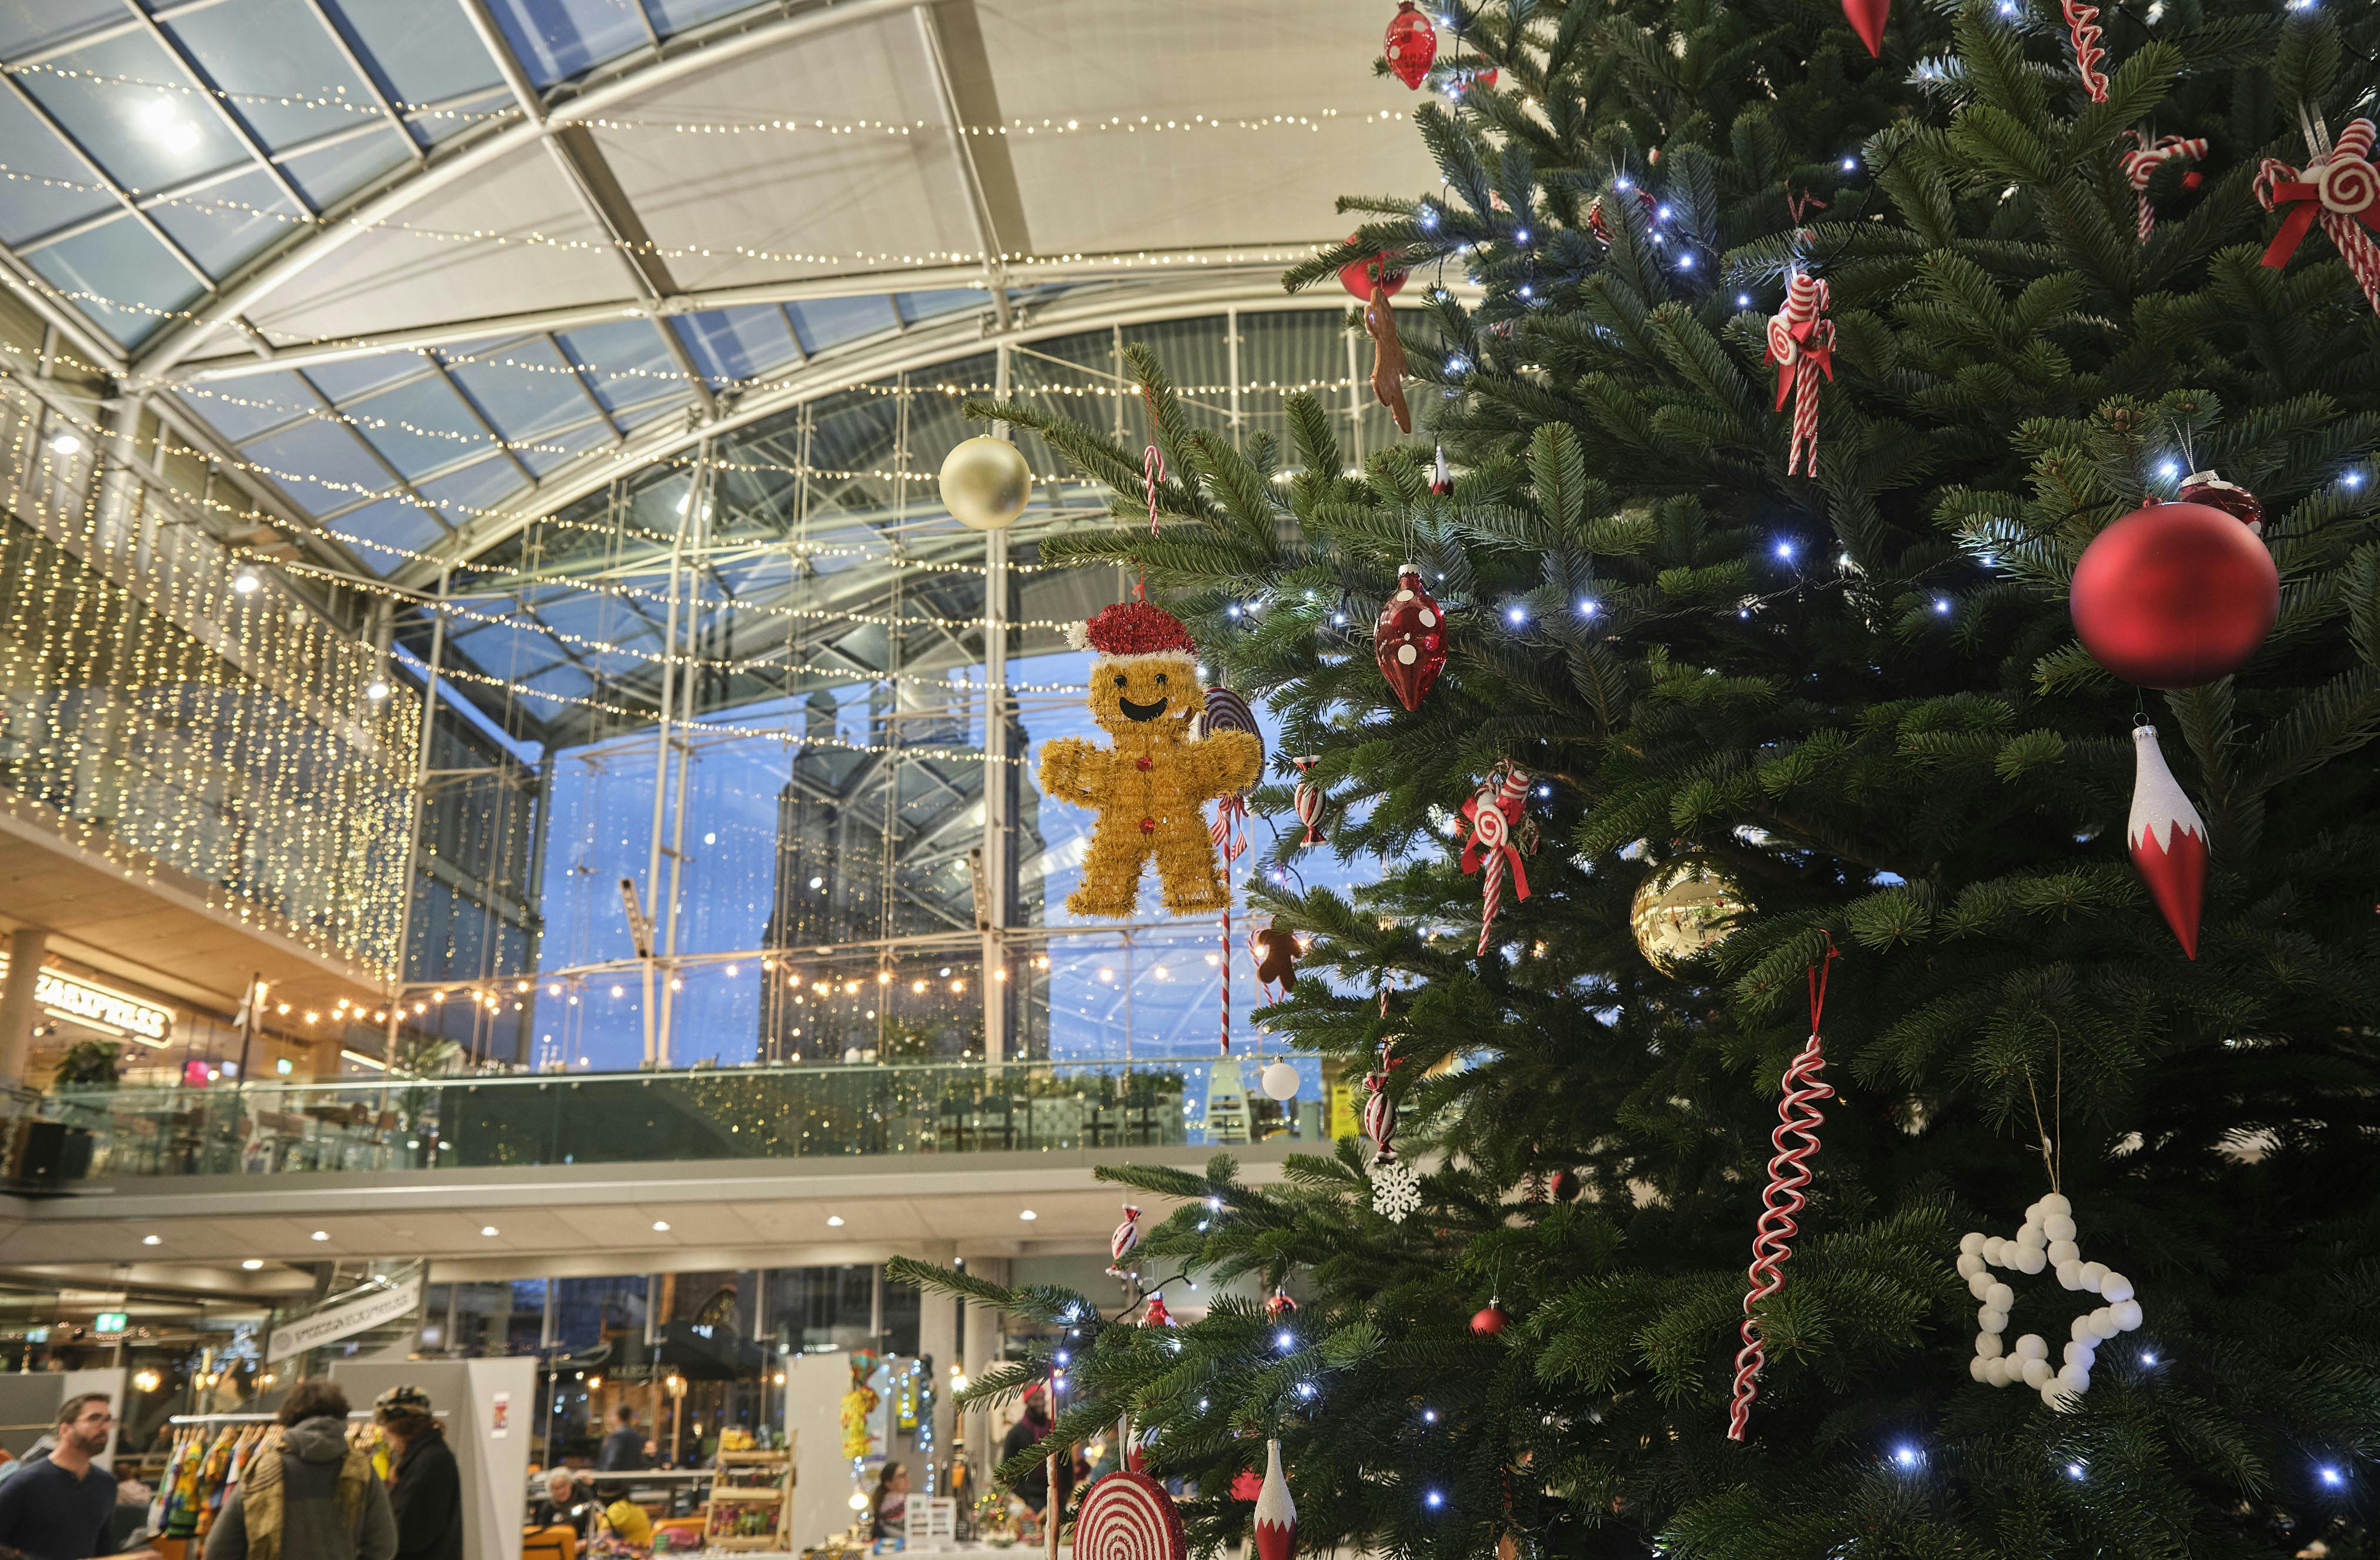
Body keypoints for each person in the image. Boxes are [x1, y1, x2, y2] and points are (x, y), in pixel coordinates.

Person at [203, 1379, 394, 1560]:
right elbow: (384, 1545)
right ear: (340, 1417)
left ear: (289, 1417)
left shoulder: (264, 1469)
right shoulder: (361, 1471)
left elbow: (218, 1549)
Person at [0, 1394, 158, 1560]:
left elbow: (102, 1548)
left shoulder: (106, 1483)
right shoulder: (26, 1481)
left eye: (107, 1420)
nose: (103, 1427)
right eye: (94, 1418)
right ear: (65, 1429)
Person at [373, 1388, 459, 1560]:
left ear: (399, 1425)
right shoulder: (422, 1458)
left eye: (383, 1423)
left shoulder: (431, 1462)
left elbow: (410, 1535)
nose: (382, 1433)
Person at [996, 1385, 1054, 1516]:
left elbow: (1065, 1464)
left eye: (1042, 1398)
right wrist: (1026, 1498)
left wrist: (1064, 1492)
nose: (1040, 1403)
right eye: (1035, 1399)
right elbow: (1008, 1471)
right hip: (1030, 1500)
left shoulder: (1053, 1429)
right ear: (1027, 1401)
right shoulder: (1015, 1434)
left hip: (1055, 1496)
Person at [528, 1470, 597, 1539]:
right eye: (556, 1488)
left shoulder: (583, 1500)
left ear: (571, 1485)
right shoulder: (547, 1508)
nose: (561, 1491)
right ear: (551, 1490)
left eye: (563, 1486)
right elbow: (541, 1532)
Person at [592, 1407, 647, 1474]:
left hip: (615, 1479)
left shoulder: (617, 1436)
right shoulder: (637, 1436)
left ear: (617, 1417)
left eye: (611, 1416)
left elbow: (612, 1462)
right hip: (631, 1479)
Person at [867, 1463, 909, 1541]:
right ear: (889, 1483)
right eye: (901, 1476)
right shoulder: (896, 1504)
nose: (907, 1478)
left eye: (906, 1474)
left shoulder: (882, 1503)